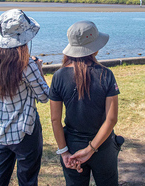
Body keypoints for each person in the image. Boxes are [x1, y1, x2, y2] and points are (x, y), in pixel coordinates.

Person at [49, 21, 121, 186]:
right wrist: (91, 149)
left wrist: (64, 151)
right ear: (95, 48)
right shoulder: (106, 75)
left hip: (72, 145)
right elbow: (111, 119)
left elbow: (55, 120)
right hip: (103, 146)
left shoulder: (58, 76)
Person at [0, 9, 49, 186]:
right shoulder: (26, 64)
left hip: (0, 128)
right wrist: (39, 69)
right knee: (27, 178)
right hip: (25, 130)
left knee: (0, 175)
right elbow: (44, 96)